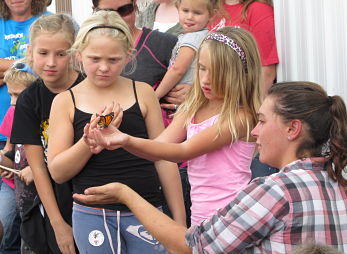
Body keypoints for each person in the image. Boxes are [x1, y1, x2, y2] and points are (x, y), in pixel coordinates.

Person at [75, 81, 347, 253]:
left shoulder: (275, 191)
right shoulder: (339, 184)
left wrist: (126, 194)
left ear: (292, 129)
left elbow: (191, 247)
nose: (254, 131)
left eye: (263, 121)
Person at [82, 26, 262, 226]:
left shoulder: (241, 117)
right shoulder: (193, 107)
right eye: (202, 68)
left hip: (233, 216)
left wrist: (125, 139)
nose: (205, 79)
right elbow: (157, 149)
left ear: (239, 73)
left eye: (217, 72)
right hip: (201, 214)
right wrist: (108, 133)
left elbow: (182, 151)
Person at [47, 10, 185, 254]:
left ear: (128, 57)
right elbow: (58, 172)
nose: (103, 67)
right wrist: (90, 139)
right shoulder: (65, 101)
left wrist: (179, 222)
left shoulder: (142, 93)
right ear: (78, 56)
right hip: (92, 212)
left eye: (113, 60)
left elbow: (163, 157)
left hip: (147, 208)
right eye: (94, 58)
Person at [10, 14, 83, 254]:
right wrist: (57, 223)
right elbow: (38, 167)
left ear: (73, 53)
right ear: (30, 52)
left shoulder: (88, 88)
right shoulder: (29, 100)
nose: (51, 62)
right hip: (54, 201)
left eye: (61, 54)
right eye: (43, 53)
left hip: (91, 196)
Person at [0, 60, 37, 254]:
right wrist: (2, 162)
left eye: (18, 95)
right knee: (5, 231)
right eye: (10, 95)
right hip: (14, 185)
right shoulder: (13, 113)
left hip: (38, 191)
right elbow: (9, 152)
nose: (13, 102)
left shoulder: (47, 116)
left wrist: (37, 170)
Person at [209, 0, 278, 97]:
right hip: (212, 97)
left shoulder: (259, 10)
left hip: (238, 99)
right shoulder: (211, 7)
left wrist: (253, 108)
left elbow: (266, 71)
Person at [154, 0, 220, 100]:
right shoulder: (201, 35)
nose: (189, 17)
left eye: (197, 13)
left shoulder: (192, 38)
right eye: (185, 11)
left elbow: (178, 70)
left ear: (211, 15)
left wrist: (156, 95)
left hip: (181, 95)